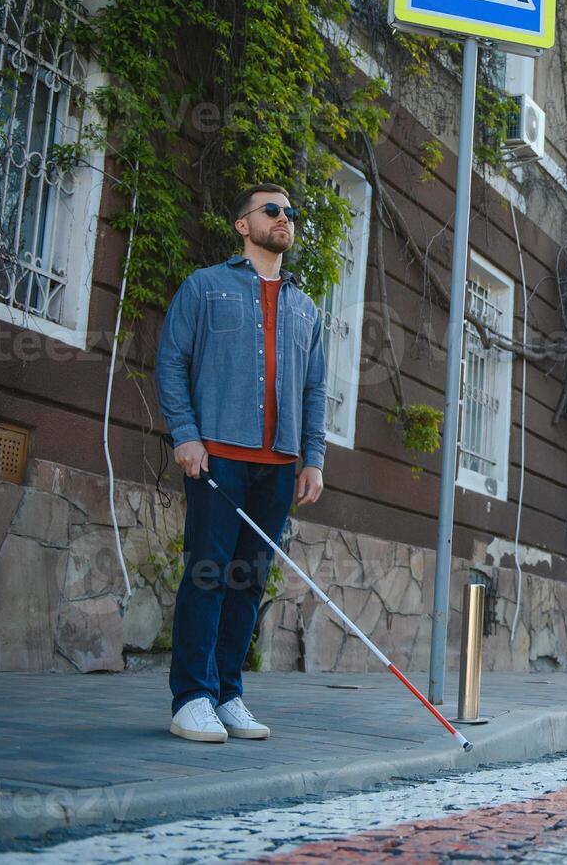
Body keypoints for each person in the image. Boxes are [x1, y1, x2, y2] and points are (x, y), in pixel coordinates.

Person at [155, 183, 327, 743]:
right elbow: (171, 361)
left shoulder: (305, 308)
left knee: (247, 581)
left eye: (290, 213)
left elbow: (315, 390)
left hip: (278, 465)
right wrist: (185, 436)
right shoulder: (207, 287)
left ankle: (227, 694)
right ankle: (192, 698)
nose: (284, 219)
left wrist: (313, 459)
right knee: (207, 574)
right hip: (217, 458)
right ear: (242, 225)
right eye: (271, 210)